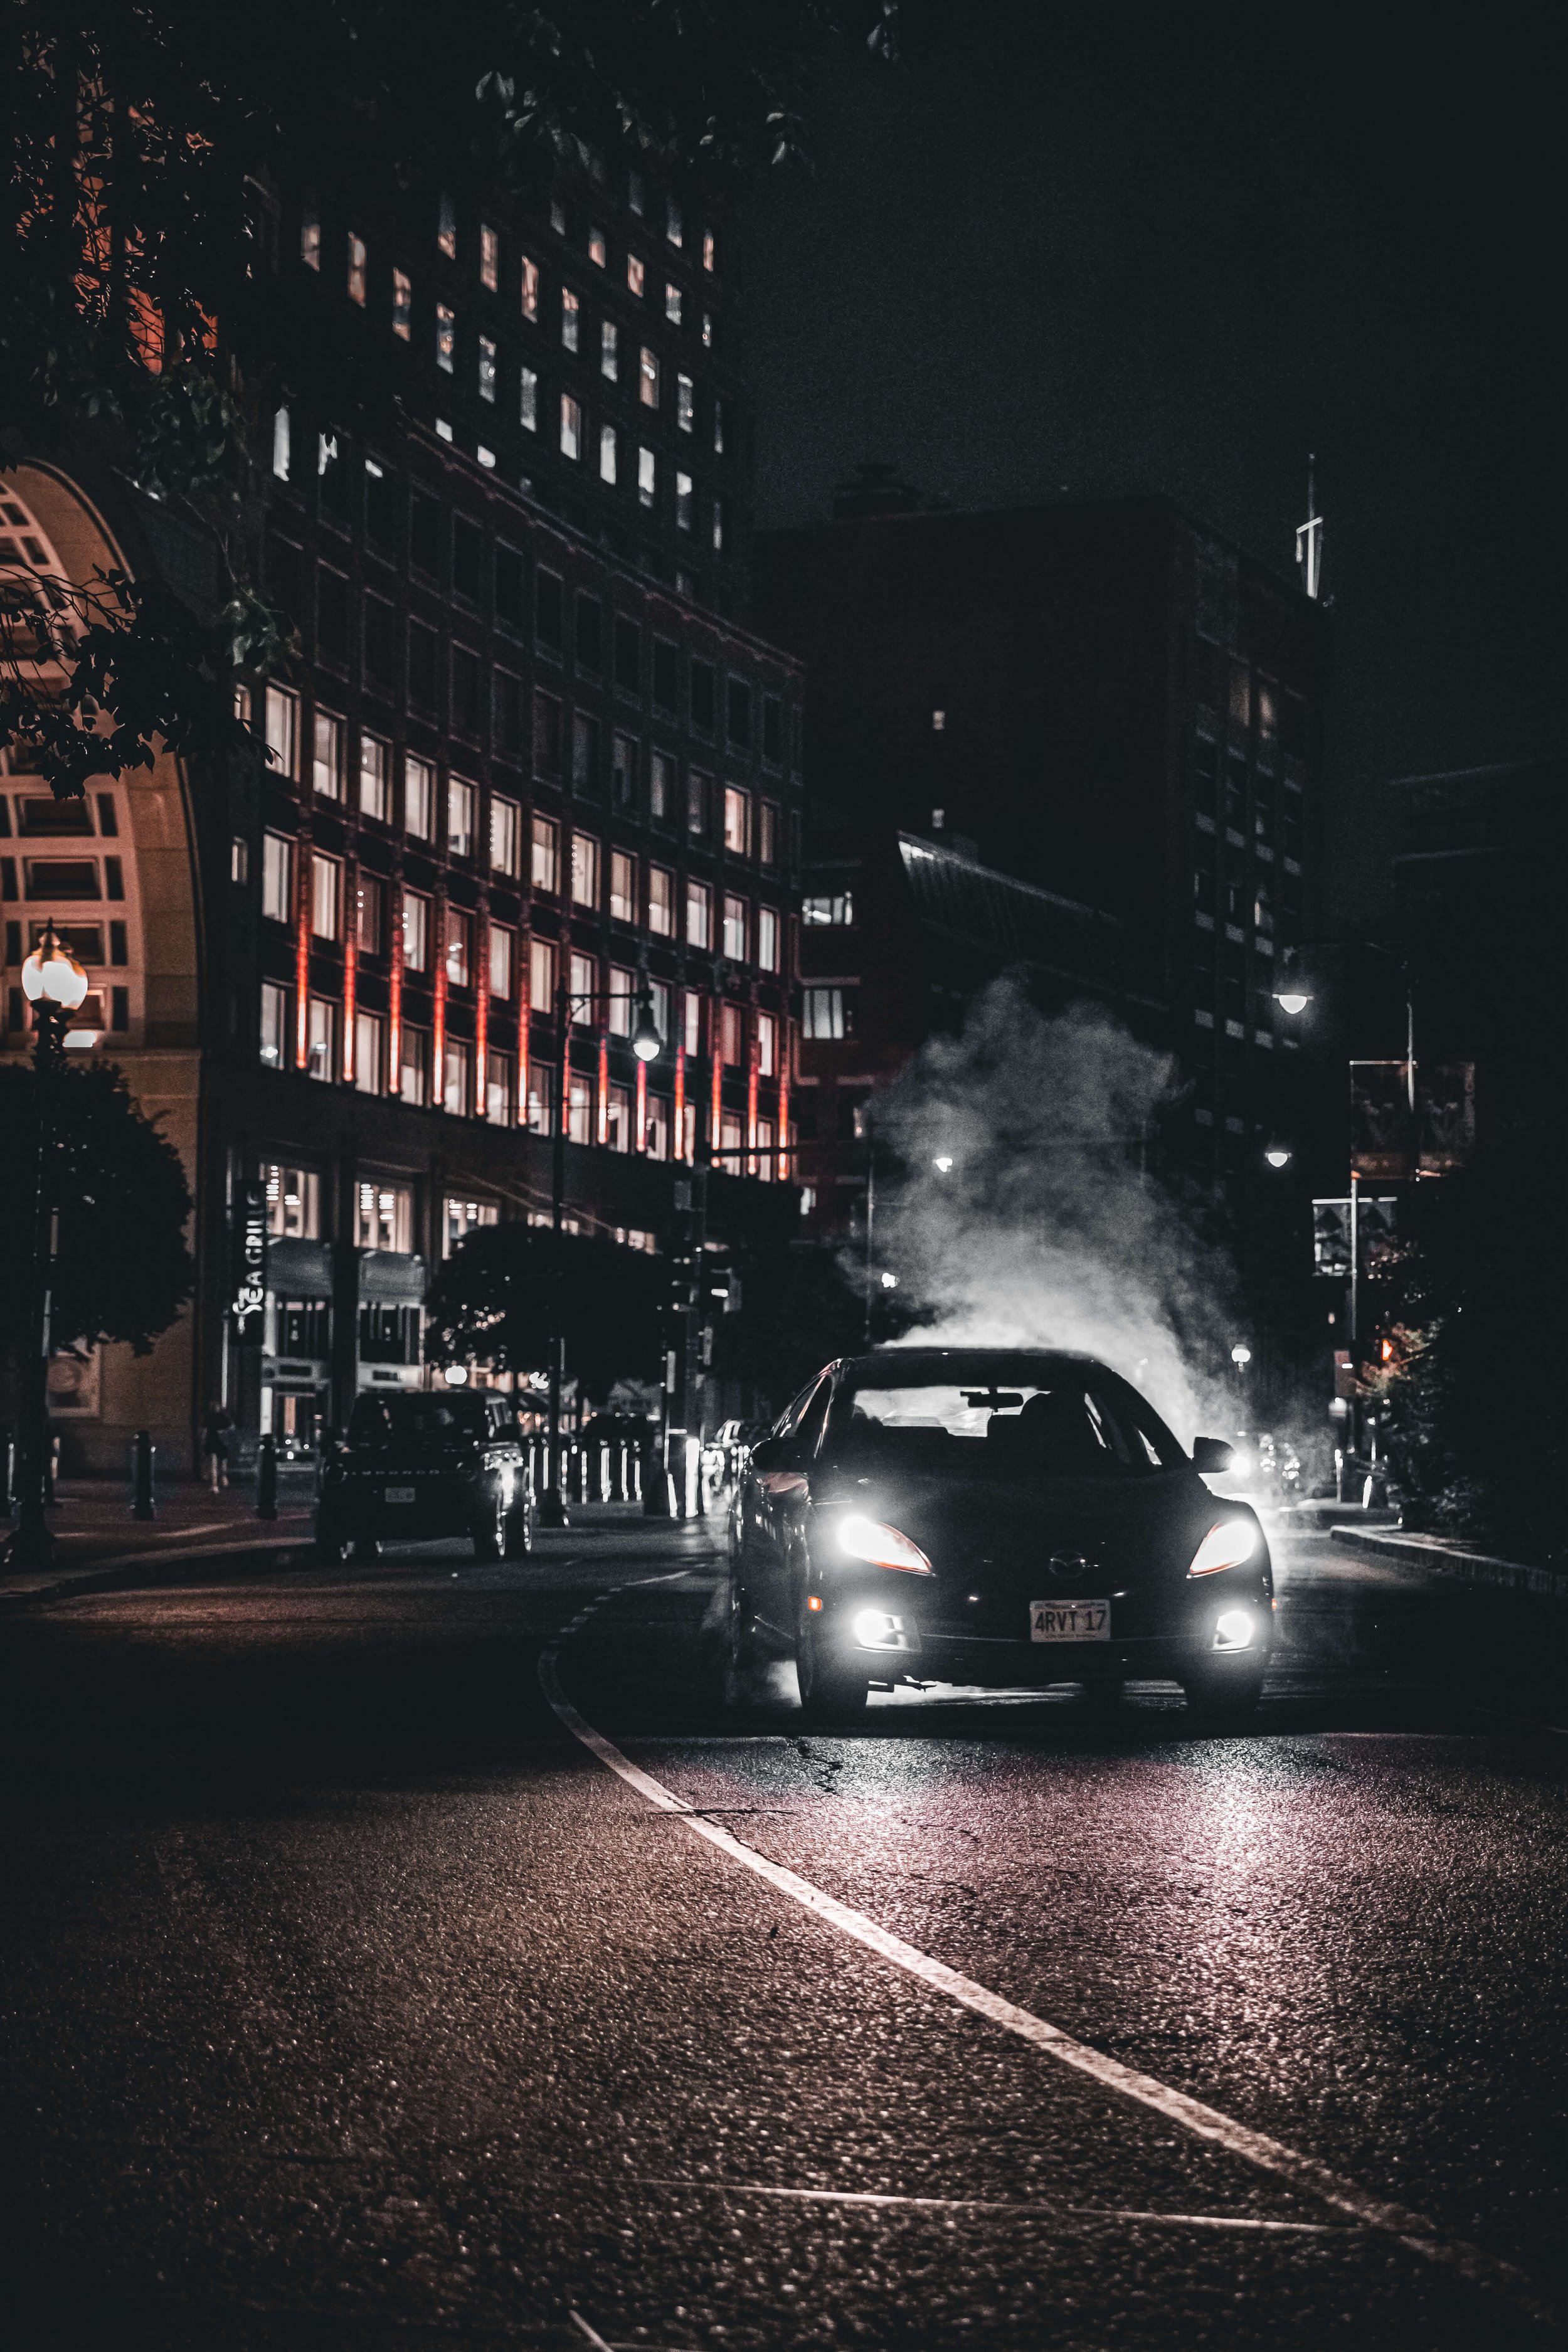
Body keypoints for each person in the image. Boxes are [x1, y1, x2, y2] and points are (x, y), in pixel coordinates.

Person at [202, 1406, 233, 1493]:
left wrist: (203, 1441)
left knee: (213, 1464)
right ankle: (223, 1478)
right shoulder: (224, 1417)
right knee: (222, 1463)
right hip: (222, 1443)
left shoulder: (209, 1418)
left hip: (212, 1442)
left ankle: (214, 1485)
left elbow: (204, 1431)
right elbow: (232, 1427)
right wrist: (224, 1432)